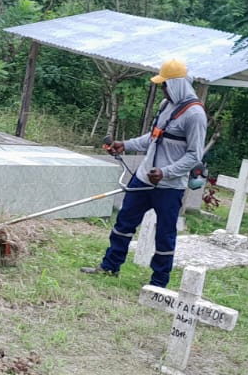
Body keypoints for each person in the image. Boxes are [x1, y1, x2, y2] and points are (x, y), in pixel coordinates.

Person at [80, 59, 207, 288]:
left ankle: (158, 284)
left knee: (164, 235)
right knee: (123, 223)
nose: (162, 89)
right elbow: (153, 137)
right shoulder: (166, 105)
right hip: (142, 178)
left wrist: (166, 172)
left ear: (176, 84)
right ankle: (110, 266)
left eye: (165, 84)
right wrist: (125, 145)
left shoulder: (195, 115)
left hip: (169, 187)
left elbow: (194, 155)